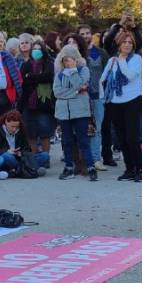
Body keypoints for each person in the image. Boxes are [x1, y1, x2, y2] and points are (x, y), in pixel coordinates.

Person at [100, 32, 142, 182]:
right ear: (118, 44)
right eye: (124, 42)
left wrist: (122, 60)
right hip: (115, 102)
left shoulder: (137, 59)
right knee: (121, 137)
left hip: (133, 99)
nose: (127, 44)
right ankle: (129, 168)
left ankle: (139, 169)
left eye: (130, 42)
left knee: (132, 137)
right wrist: (103, 98)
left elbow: (129, 76)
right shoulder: (112, 60)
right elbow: (103, 79)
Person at [54, 45, 97, 181]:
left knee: (83, 140)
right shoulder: (59, 74)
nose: (67, 63)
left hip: (80, 111)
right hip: (63, 112)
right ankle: (68, 167)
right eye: (65, 60)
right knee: (66, 141)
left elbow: (80, 84)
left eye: (70, 59)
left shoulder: (83, 70)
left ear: (76, 59)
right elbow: (57, 92)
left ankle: (91, 167)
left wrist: (73, 72)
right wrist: (76, 92)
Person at [78, 25, 113, 169]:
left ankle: (96, 159)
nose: (85, 36)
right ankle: (83, 160)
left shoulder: (101, 53)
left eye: (87, 33)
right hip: (80, 96)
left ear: (91, 35)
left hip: (98, 96)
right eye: (82, 34)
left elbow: (108, 75)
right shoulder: (76, 54)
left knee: (96, 128)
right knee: (81, 129)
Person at [19, 40, 55, 164]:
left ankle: (45, 159)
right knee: (30, 133)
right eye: (34, 49)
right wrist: (36, 78)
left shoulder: (49, 63)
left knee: (45, 133)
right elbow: (22, 80)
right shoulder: (26, 64)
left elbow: (48, 77)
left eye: (39, 49)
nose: (36, 52)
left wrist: (31, 77)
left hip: (44, 105)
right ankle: (33, 160)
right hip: (28, 104)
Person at [0, 110, 48, 174]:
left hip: (20, 159)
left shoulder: (21, 131)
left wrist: (20, 153)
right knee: (6, 156)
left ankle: (23, 169)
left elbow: (27, 149)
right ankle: (30, 169)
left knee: (45, 155)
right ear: (6, 122)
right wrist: (7, 151)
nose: (14, 129)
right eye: (12, 126)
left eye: (16, 127)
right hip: (6, 158)